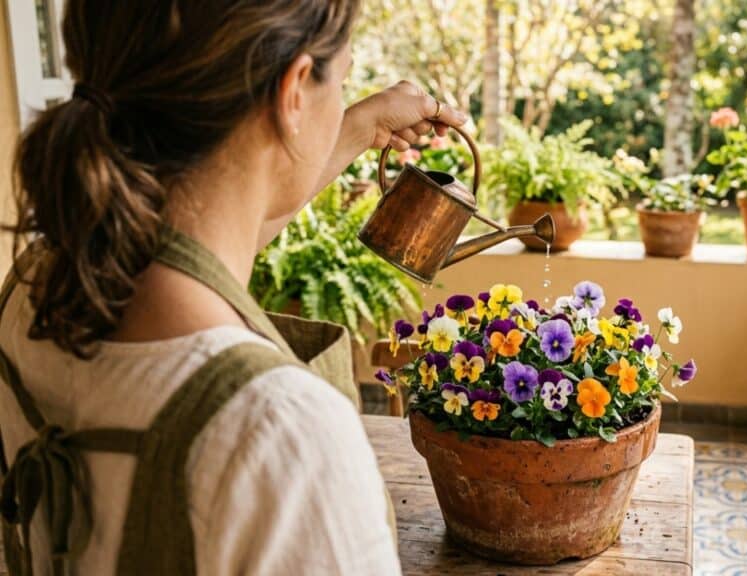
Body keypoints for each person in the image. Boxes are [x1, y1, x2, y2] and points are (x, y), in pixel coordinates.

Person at [0, 0, 466, 574]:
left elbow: (204, 235)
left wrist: (354, 127)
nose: (342, 95)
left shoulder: (33, 288)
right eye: (340, 80)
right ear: (294, 87)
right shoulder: (281, 437)